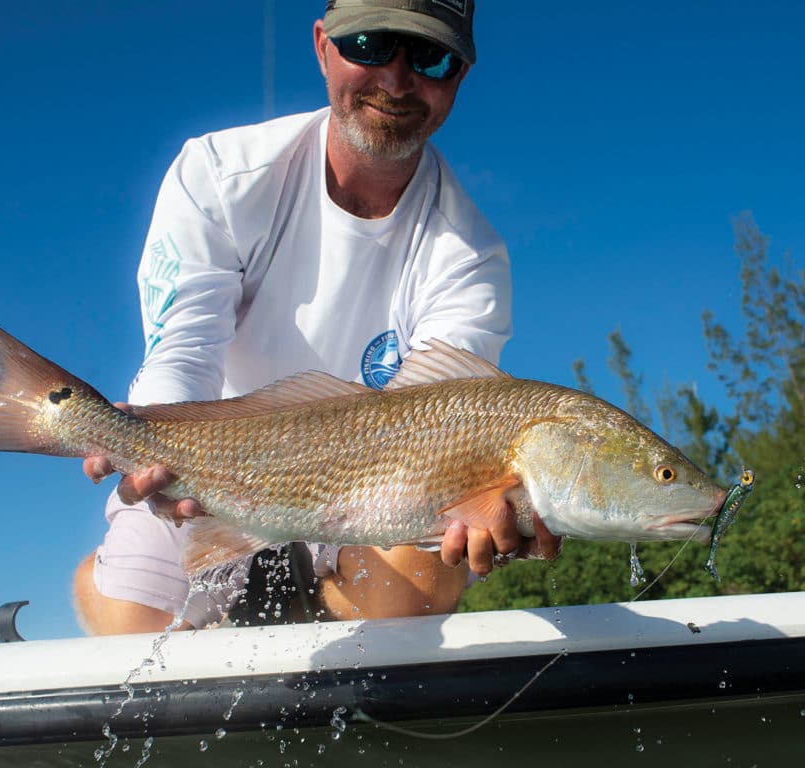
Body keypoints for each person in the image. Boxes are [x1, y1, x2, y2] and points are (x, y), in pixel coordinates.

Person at [73, 0, 560, 635]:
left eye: (431, 57)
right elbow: (183, 352)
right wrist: (154, 452)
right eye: (370, 45)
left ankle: (291, 623)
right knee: (130, 623)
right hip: (208, 467)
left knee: (420, 583)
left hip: (370, 497)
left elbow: (450, 425)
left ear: (460, 75)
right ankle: (104, 576)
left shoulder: (471, 256)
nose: (396, 80)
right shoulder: (218, 172)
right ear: (324, 46)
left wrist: (492, 505)